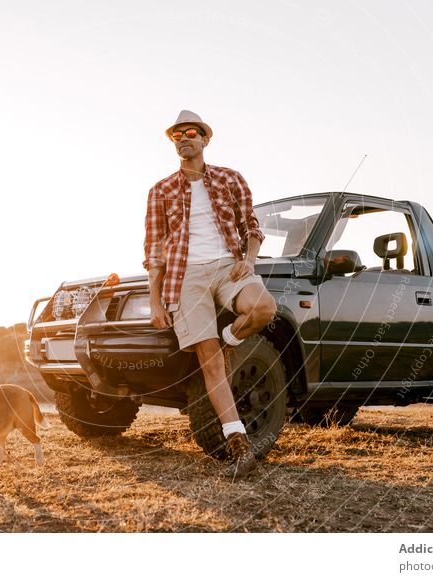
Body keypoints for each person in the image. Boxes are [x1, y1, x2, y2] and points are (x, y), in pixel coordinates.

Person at [143, 110, 277, 478]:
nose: (183, 138)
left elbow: (251, 224)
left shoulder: (231, 179)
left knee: (264, 307)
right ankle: (238, 441)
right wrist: (156, 300)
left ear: (205, 139)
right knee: (209, 360)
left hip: (228, 267)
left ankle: (230, 338)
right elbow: (154, 249)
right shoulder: (161, 190)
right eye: (176, 135)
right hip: (185, 278)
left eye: (190, 132)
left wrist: (249, 262)